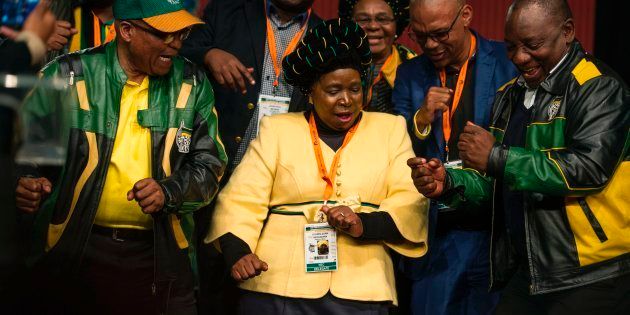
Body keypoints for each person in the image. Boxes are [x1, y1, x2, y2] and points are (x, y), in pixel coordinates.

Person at [410, 0, 630, 314]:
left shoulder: (597, 88)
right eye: (512, 47)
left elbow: (588, 170)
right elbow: (497, 183)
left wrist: (496, 156)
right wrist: (447, 182)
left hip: (593, 273)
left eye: (532, 45)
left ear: (567, 32)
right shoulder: (510, 93)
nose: (520, 57)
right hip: (529, 273)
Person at [15, 0, 227, 313]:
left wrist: (169, 191)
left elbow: (210, 166)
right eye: (164, 34)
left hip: (161, 257)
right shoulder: (69, 75)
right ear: (126, 30)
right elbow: (18, 143)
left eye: (181, 34)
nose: (177, 43)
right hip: (75, 250)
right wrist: (25, 180)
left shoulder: (191, 85)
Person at [206, 19, 428, 314]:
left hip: (363, 286)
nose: (346, 100)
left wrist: (363, 224)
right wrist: (239, 253)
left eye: (354, 89)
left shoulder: (391, 129)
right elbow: (240, 199)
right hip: (275, 283)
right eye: (333, 90)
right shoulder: (277, 129)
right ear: (311, 92)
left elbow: (409, 199)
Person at [180, 1, 320, 313]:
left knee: (263, 285)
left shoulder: (324, 34)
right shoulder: (227, 10)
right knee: (209, 282)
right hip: (218, 173)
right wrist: (208, 54)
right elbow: (177, 50)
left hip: (280, 188)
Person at [391, 0, 517, 314]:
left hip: (493, 227)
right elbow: (394, 147)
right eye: (419, 36)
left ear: (466, 15)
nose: (430, 45)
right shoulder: (409, 74)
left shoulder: (507, 61)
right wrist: (421, 119)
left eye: (439, 33)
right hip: (436, 229)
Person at [341, 0, 416, 113]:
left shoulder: (414, 65)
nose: (373, 26)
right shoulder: (333, 63)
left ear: (397, 24)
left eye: (382, 19)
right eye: (363, 19)